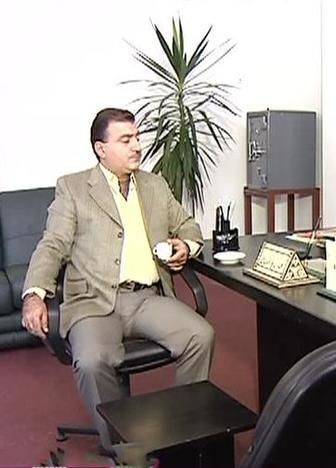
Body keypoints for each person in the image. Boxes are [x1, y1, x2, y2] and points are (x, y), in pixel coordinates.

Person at [20, 108, 214, 454]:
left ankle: (185, 429)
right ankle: (122, 448)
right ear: (101, 148)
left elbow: (188, 226)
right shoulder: (74, 188)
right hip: (93, 302)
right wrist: (34, 294)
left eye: (137, 138)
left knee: (200, 335)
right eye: (126, 140)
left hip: (147, 298)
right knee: (92, 360)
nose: (137, 146)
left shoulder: (154, 186)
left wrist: (186, 245)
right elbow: (52, 245)